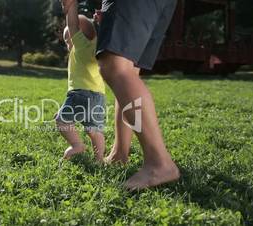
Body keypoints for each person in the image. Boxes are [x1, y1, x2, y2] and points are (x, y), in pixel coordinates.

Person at [62, 0, 180, 190]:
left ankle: (159, 163)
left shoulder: (83, 42)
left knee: (116, 67)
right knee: (128, 71)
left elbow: (75, 26)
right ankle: (119, 154)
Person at [55, 3, 106, 162]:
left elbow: (72, 24)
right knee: (95, 130)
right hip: (99, 96)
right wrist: (99, 23)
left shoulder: (81, 46)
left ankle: (77, 145)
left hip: (80, 93)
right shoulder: (98, 46)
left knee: (61, 120)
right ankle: (99, 160)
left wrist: (70, 6)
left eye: (67, 38)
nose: (68, 42)